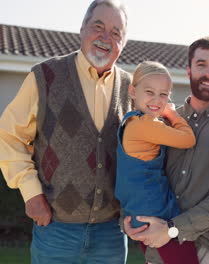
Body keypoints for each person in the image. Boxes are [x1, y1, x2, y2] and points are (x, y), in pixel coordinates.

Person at [0, 0, 131, 263]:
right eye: (98, 27)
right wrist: (31, 192)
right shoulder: (45, 77)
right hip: (56, 230)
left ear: (123, 43)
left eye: (116, 33)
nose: (106, 37)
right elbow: (9, 136)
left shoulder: (132, 87)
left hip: (111, 234)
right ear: (82, 29)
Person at [124, 36, 209, 264]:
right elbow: (136, 171)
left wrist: (172, 228)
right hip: (160, 251)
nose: (208, 73)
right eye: (201, 64)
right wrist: (128, 220)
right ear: (189, 70)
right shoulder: (161, 124)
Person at [115, 61, 199, 263]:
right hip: (155, 213)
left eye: (164, 94)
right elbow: (188, 139)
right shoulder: (146, 125)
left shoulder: (131, 122)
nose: (157, 100)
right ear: (133, 92)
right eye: (150, 92)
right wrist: (173, 114)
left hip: (139, 210)